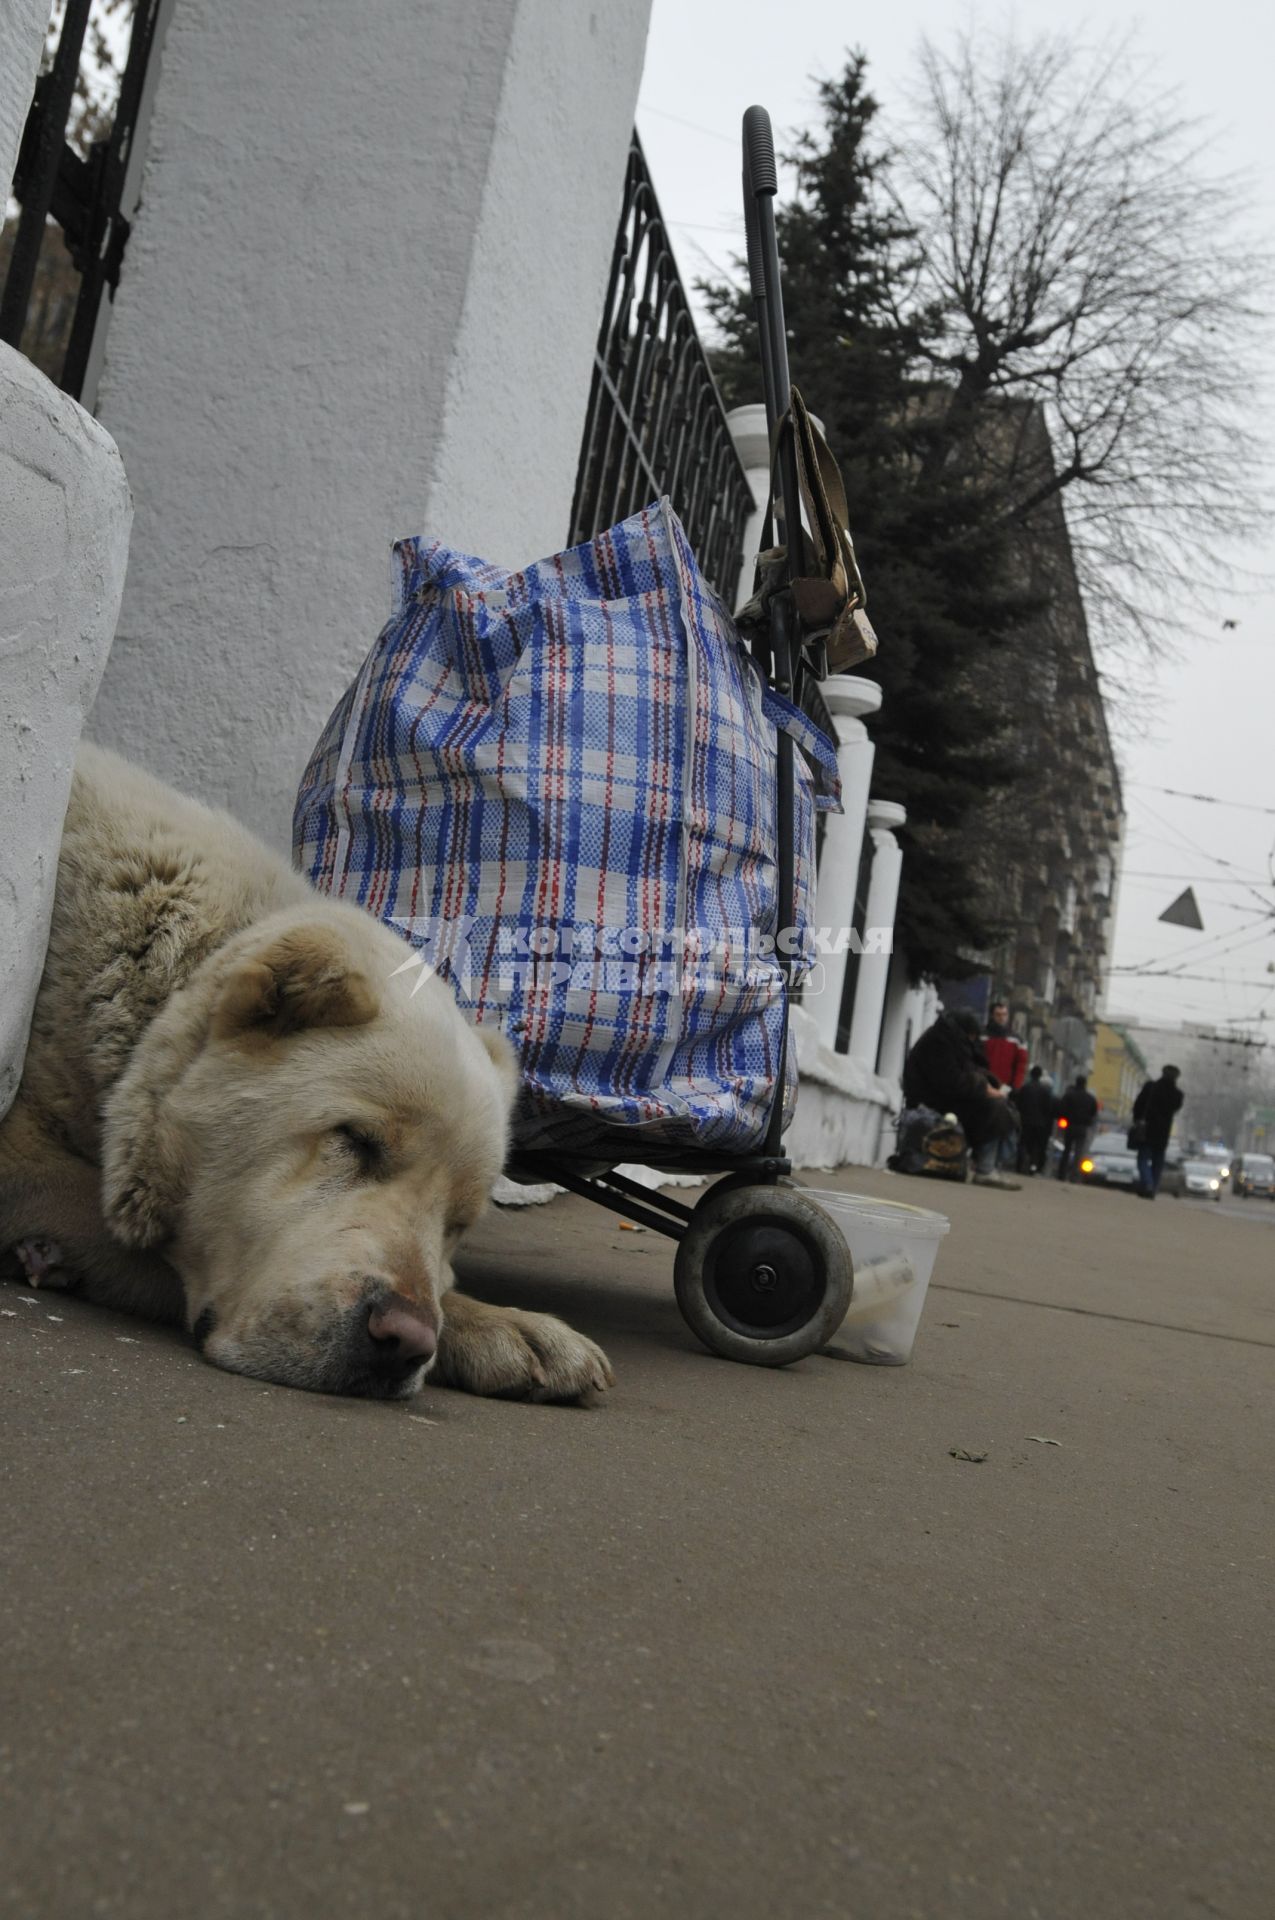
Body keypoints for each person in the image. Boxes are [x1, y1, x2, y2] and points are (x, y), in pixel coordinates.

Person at [902, 1008, 1021, 1190]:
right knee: (995, 1109)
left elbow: (968, 1070)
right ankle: (985, 1169)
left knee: (1004, 1107)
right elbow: (950, 1081)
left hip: (944, 1097)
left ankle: (990, 1166)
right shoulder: (939, 1042)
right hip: (931, 1100)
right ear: (965, 1031)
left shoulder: (953, 1040)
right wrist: (984, 1089)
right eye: (972, 1035)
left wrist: (990, 1083)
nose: (973, 1039)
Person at [984, 999, 1027, 1168]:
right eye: (998, 1015)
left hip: (1005, 1090)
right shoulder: (983, 1035)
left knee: (1001, 1124)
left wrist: (1014, 1087)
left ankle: (993, 1162)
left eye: (1004, 1015)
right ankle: (984, 1161)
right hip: (983, 1086)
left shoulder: (1016, 1040)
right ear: (992, 1015)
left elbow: (1020, 1065)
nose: (1001, 1018)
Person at [1131, 1065, 1184, 1198]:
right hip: (1163, 1133)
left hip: (1147, 1129)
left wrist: (1137, 1120)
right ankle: (1152, 1188)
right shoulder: (1177, 1095)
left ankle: (1148, 1185)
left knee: (1142, 1159)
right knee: (1158, 1161)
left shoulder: (1151, 1087)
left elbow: (1138, 1104)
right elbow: (1175, 1109)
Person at [1012, 1065, 1055, 1175]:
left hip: (1026, 1121)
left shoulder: (1025, 1088)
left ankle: (1019, 1166)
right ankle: (1032, 1167)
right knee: (1036, 1146)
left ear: (1031, 1074)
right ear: (1040, 1076)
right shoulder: (1044, 1091)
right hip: (1040, 1123)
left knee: (1023, 1143)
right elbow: (1048, 1108)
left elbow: (1018, 1103)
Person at [1056, 1074, 1099, 1183]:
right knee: (1078, 1153)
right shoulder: (1090, 1098)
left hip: (1070, 1126)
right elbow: (1094, 1112)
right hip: (1082, 1128)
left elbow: (1061, 1108)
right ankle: (1074, 1176)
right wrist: (1087, 1121)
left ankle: (1061, 1174)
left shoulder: (1069, 1095)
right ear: (1085, 1084)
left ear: (1076, 1083)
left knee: (1066, 1150)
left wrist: (1064, 1119)